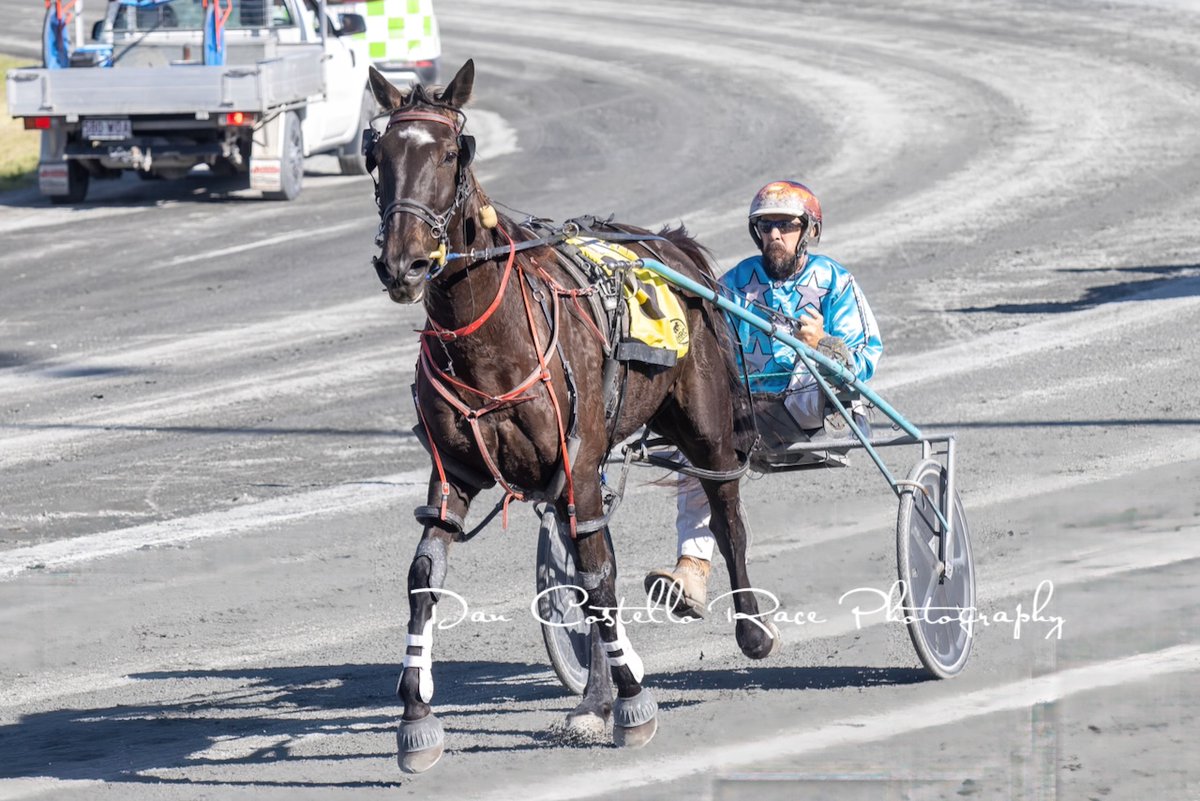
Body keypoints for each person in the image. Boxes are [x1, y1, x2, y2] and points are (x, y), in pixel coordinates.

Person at [644, 180, 883, 619]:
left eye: (786, 225)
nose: (775, 235)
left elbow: (865, 359)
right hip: (747, 411)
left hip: (815, 407)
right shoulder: (734, 284)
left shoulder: (835, 282)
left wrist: (824, 343)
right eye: (765, 226)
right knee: (699, 445)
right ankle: (693, 570)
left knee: (807, 372)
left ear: (808, 230)